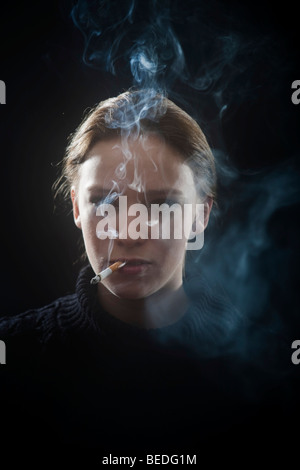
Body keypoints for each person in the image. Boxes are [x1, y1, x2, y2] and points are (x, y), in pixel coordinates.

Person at [0, 89, 293, 457]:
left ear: (200, 216)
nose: (130, 232)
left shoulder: (271, 369)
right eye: (105, 202)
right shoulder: (15, 358)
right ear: (76, 207)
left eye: (163, 204)